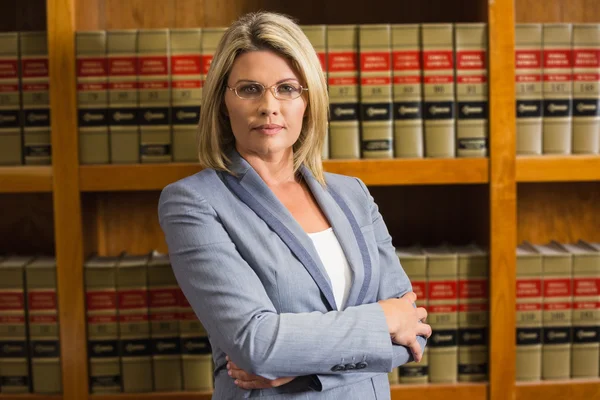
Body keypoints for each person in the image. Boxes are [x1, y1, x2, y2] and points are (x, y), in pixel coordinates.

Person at [158, 11, 431, 399]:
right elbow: (257, 344)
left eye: (287, 88)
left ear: (308, 100)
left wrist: (300, 370)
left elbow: (416, 333)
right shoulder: (193, 203)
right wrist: (383, 319)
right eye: (250, 89)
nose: (269, 105)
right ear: (223, 102)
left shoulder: (352, 193)